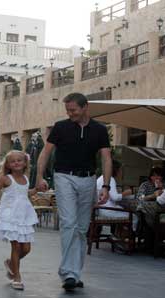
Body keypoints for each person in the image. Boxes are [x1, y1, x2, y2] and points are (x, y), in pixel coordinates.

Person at [35, 92, 112, 292]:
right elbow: (45, 152)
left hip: (88, 179)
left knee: (81, 228)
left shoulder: (100, 130)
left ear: (85, 107)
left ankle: (74, 273)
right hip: (64, 177)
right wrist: (40, 176)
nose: (70, 114)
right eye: (67, 110)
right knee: (69, 223)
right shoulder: (60, 127)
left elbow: (106, 158)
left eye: (73, 110)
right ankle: (68, 272)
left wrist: (106, 186)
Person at [0, 150, 38, 291]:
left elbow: (25, 193)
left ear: (25, 163)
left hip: (23, 217)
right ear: (8, 165)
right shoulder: (6, 179)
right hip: (10, 216)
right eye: (13, 161)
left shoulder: (26, 178)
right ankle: (17, 277)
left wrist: (36, 189)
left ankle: (11, 263)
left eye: (19, 160)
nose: (16, 162)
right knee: (16, 247)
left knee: (26, 249)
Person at [95, 161, 138, 230]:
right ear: (116, 170)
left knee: (123, 209)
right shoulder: (110, 179)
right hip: (108, 211)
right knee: (134, 217)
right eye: (120, 170)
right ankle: (129, 236)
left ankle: (118, 234)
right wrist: (126, 193)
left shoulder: (100, 178)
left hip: (99, 211)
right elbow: (115, 197)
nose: (121, 172)